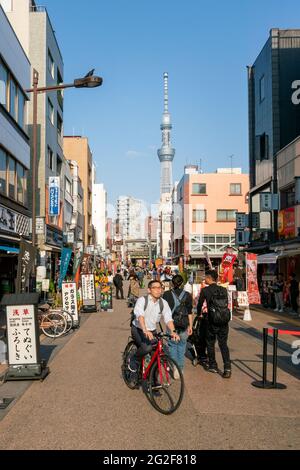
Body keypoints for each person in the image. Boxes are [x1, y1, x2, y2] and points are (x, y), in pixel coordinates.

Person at [129, 280, 180, 373]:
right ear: (149, 290)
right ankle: (134, 360)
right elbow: (140, 315)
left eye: (159, 288)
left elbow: (168, 318)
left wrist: (173, 331)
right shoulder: (142, 300)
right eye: (154, 288)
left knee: (158, 353)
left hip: (152, 331)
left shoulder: (163, 303)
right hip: (138, 329)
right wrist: (145, 330)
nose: (158, 290)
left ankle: (153, 379)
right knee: (147, 348)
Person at [197, 270, 232, 379]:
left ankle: (213, 364)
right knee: (223, 344)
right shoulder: (223, 289)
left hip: (211, 321)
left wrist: (199, 314)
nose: (204, 279)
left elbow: (199, 304)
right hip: (223, 320)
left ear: (209, 278)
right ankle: (227, 368)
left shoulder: (205, 290)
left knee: (210, 343)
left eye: (205, 278)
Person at [163, 275, 193, 377]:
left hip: (171, 324)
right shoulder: (188, 295)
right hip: (184, 324)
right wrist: (190, 326)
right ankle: (180, 368)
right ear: (182, 283)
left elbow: (163, 310)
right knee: (181, 345)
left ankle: (175, 368)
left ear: (172, 283)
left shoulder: (166, 295)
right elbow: (189, 312)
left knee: (172, 345)